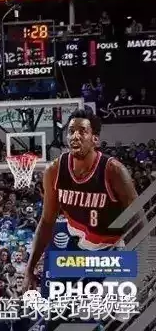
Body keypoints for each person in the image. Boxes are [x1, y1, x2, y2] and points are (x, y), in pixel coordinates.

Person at [24, 110, 139, 288]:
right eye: (71, 131)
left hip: (112, 251)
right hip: (75, 247)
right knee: (60, 310)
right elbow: (47, 222)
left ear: (95, 139)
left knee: (106, 312)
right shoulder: (54, 171)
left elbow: (138, 223)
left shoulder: (114, 171)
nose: (75, 136)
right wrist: (29, 269)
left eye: (82, 131)